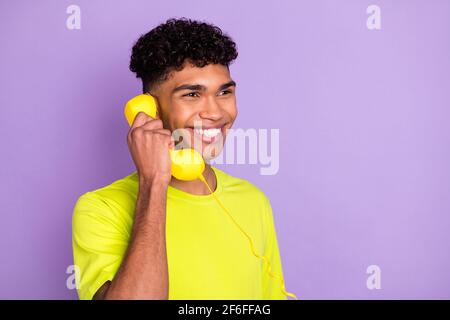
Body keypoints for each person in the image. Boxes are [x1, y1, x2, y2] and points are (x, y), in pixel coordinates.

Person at [72, 18, 288, 300]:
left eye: (224, 92)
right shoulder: (100, 209)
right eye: (192, 94)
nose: (215, 112)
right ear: (150, 109)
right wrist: (154, 182)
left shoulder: (253, 200)